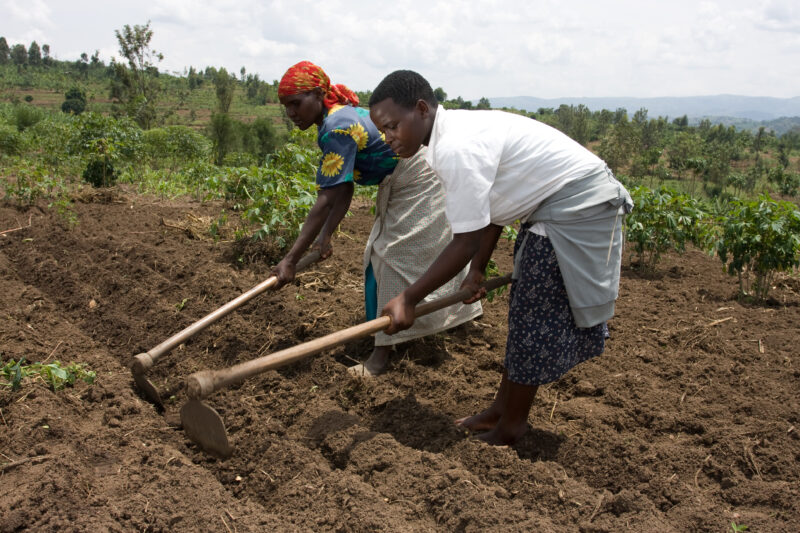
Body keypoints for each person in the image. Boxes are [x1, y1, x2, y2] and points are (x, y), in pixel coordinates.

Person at [368, 70, 633, 445]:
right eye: (382, 130)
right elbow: (489, 214)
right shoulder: (449, 135)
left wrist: (409, 298)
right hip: (556, 206)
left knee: (533, 316)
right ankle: (500, 411)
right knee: (524, 313)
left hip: (576, 208)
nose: (388, 138)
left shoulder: (456, 147)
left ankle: (512, 427)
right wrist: (476, 271)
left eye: (392, 126)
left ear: (422, 110)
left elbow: (464, 240)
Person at [272, 61, 481, 376]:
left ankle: (382, 356)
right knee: (381, 254)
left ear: (317, 94)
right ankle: (398, 331)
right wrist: (325, 237)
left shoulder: (336, 126)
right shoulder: (332, 120)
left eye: (296, 103)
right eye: (285, 106)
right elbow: (342, 189)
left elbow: (326, 198)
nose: (291, 112)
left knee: (392, 253)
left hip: (416, 173)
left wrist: (290, 259)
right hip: (400, 176)